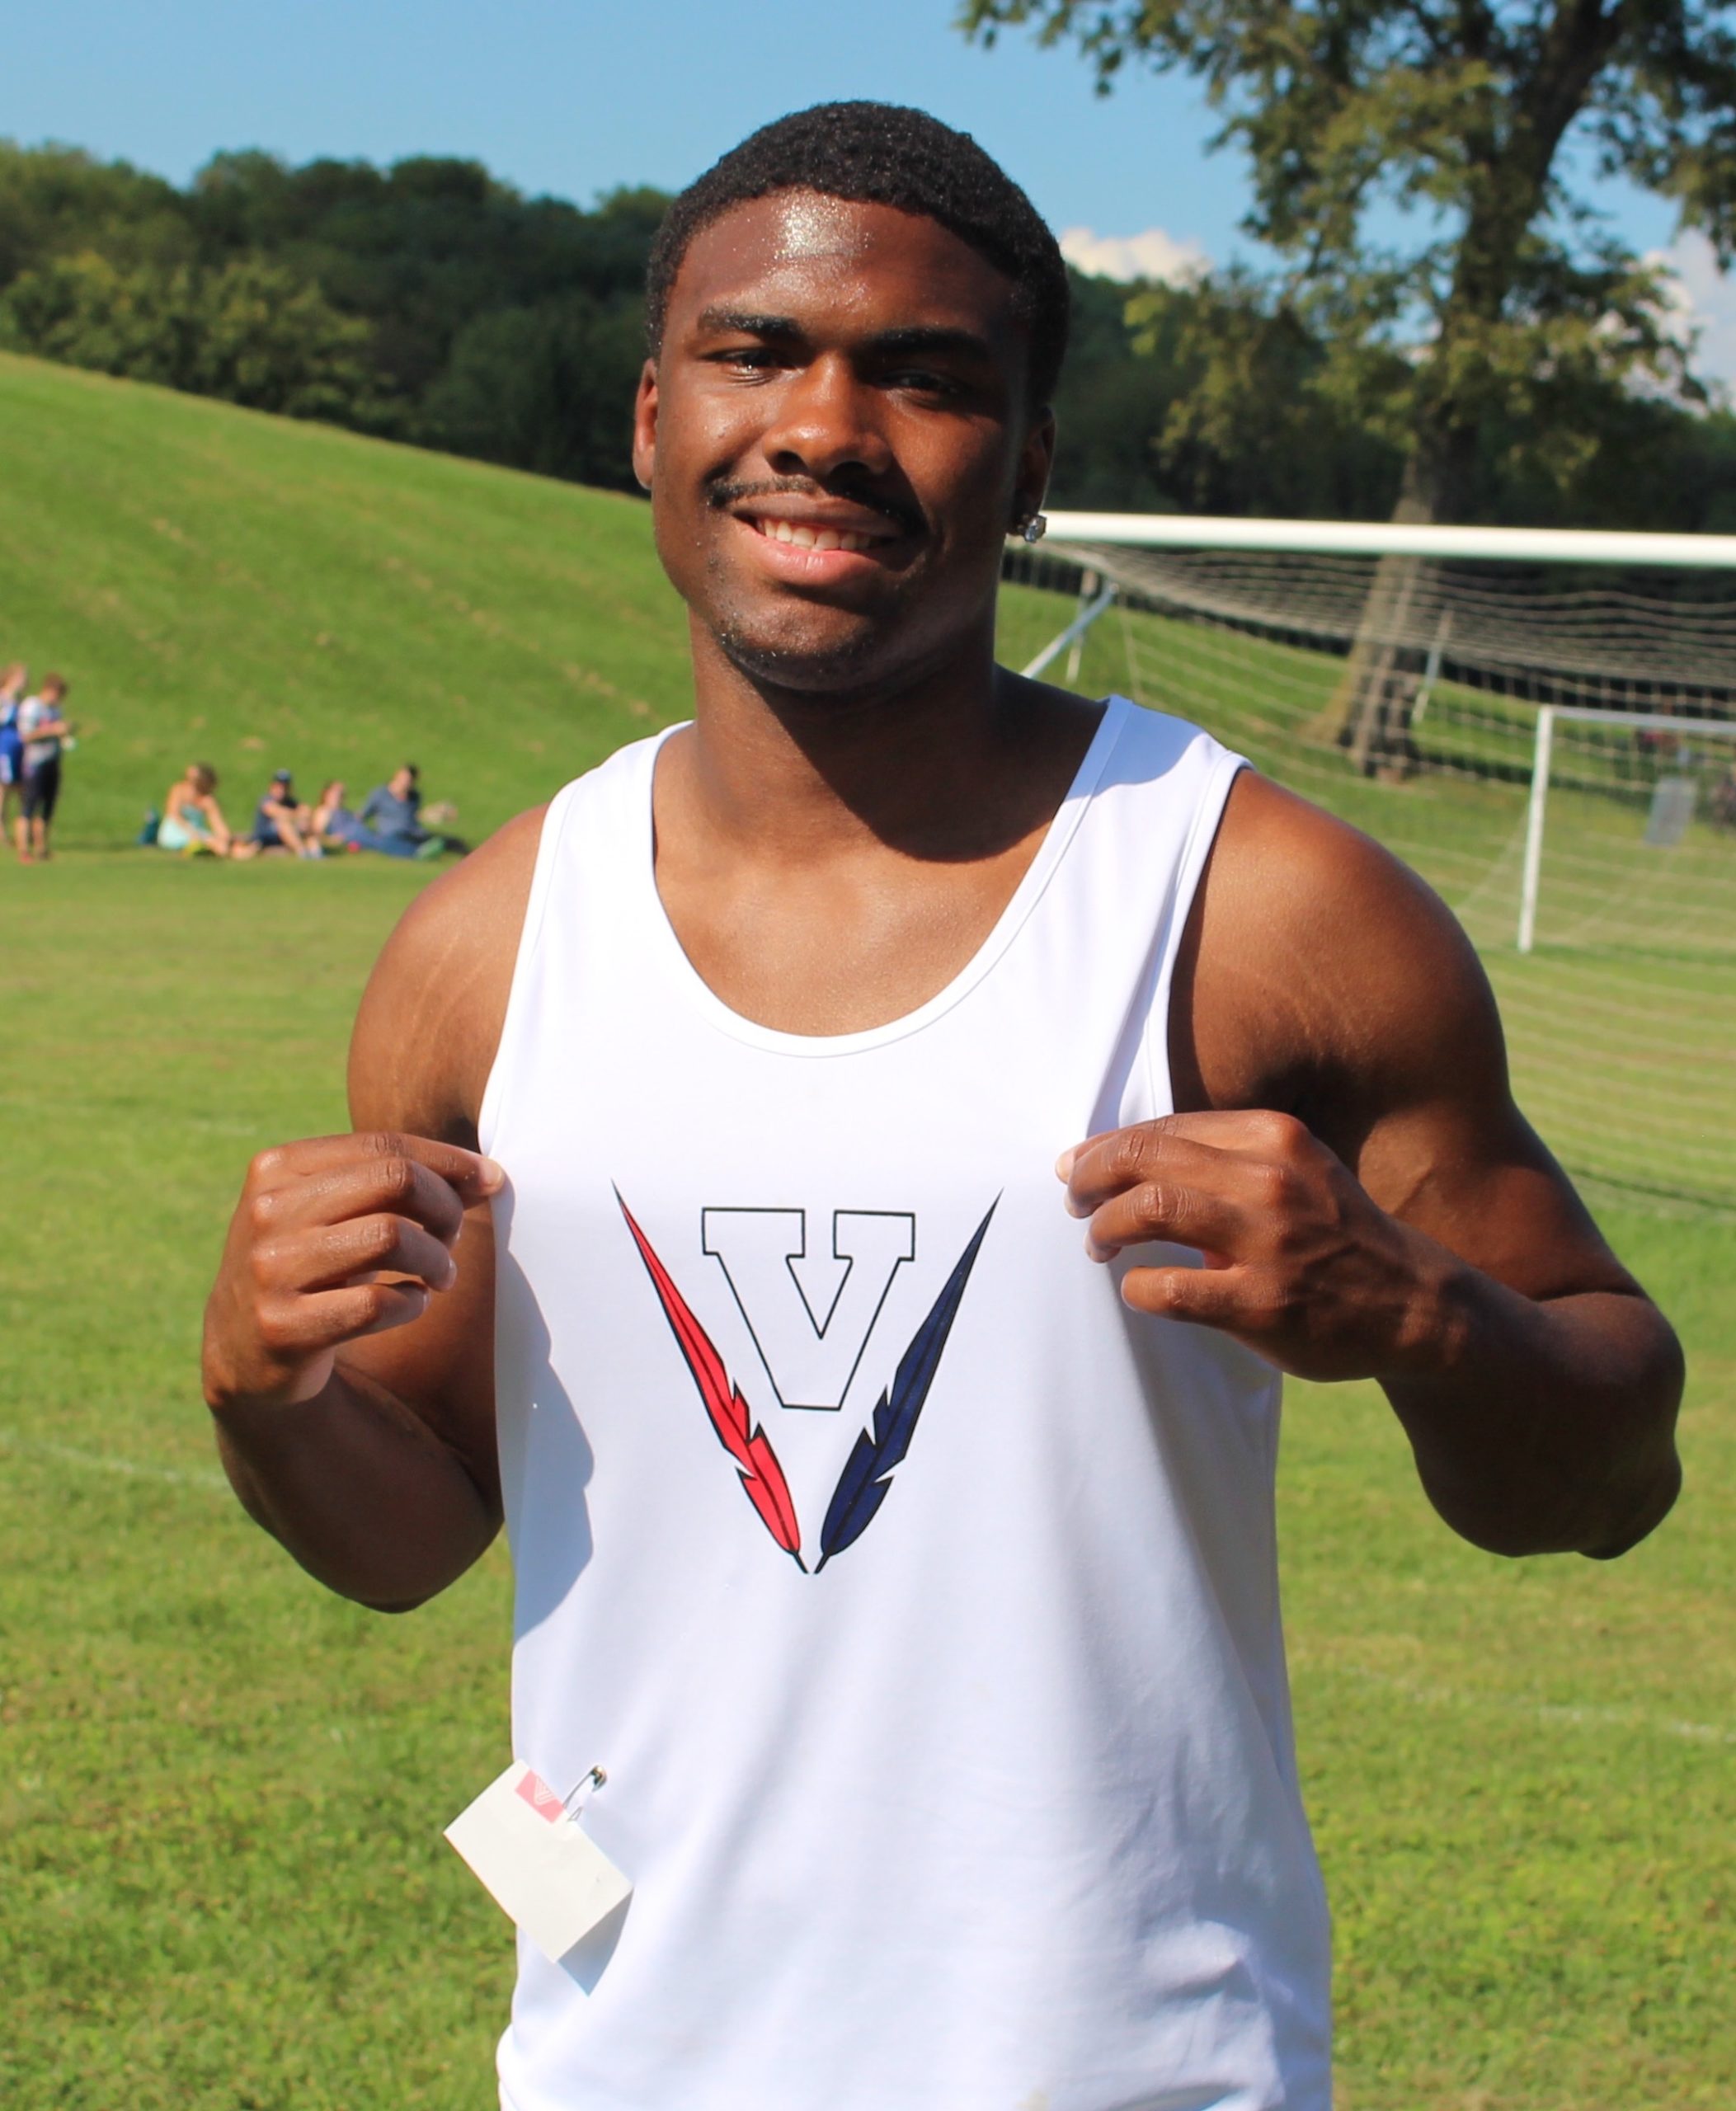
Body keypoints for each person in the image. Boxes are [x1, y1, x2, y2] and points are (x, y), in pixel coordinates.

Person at [201, 104, 1683, 2111]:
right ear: (649, 417)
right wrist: (265, 1392)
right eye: (755, 353)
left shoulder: (1256, 908)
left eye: (922, 374)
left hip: (1134, 2066)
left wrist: (1416, 1313)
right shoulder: (483, 942)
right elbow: (417, 1523)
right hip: (625, 2064)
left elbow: (1606, 1469)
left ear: (1032, 461)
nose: (823, 423)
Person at [355, 763, 469, 858]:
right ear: (396, 776)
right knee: (392, 843)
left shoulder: (414, 796)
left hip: (414, 833)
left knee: (449, 841)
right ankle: (420, 854)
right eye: (403, 778)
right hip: (392, 835)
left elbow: (416, 816)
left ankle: (469, 857)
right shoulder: (380, 794)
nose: (405, 783)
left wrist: (437, 814)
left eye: (409, 780)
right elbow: (363, 815)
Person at [16, 673, 73, 863]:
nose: (58, 699)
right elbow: (25, 735)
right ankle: (23, 849)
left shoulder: (55, 710)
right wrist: (52, 730)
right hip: (34, 762)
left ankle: (41, 847)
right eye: (57, 694)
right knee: (29, 807)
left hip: (52, 761)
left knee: (48, 806)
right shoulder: (32, 706)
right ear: (48, 690)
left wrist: (64, 732)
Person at [157, 763, 256, 858]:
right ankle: (237, 852)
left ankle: (235, 850)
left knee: (219, 841)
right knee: (212, 842)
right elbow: (174, 814)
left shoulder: (207, 800)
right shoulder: (179, 790)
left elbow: (219, 825)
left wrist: (226, 839)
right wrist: (193, 833)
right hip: (176, 831)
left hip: (198, 833)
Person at [250, 769, 320, 858]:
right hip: (266, 838)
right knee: (283, 822)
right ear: (272, 786)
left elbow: (307, 811)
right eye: (279, 786)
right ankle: (302, 851)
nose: (282, 790)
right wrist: (297, 816)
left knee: (305, 823)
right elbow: (276, 812)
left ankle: (316, 852)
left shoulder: (291, 802)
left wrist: (302, 818)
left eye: (285, 787)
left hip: (282, 839)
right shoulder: (266, 800)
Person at [0, 662, 26, 852]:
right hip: (4, 750)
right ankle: (2, 834)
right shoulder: (3, 700)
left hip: (20, 751)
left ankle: (23, 834)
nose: (25, 681)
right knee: (3, 792)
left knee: (21, 791)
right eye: (22, 677)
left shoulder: (20, 701)